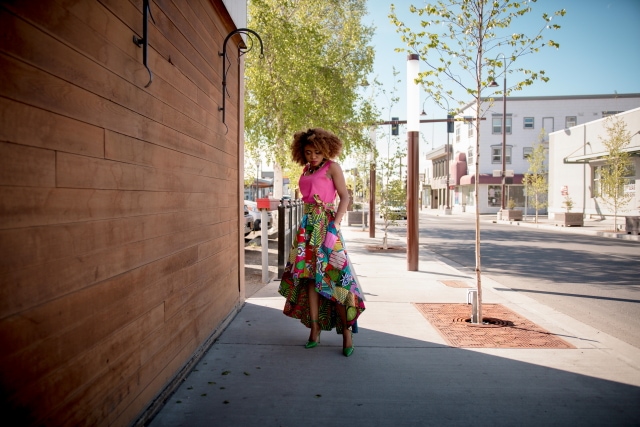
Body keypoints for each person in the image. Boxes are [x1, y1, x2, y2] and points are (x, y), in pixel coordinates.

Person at [278, 128, 365, 357]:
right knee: (309, 279)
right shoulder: (306, 169)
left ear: (326, 149)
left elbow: (345, 197)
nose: (313, 156)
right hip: (307, 228)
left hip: (327, 226)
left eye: (317, 151)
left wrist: (334, 228)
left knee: (336, 278)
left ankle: (347, 332)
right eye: (308, 152)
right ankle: (315, 329)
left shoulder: (332, 167)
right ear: (302, 153)